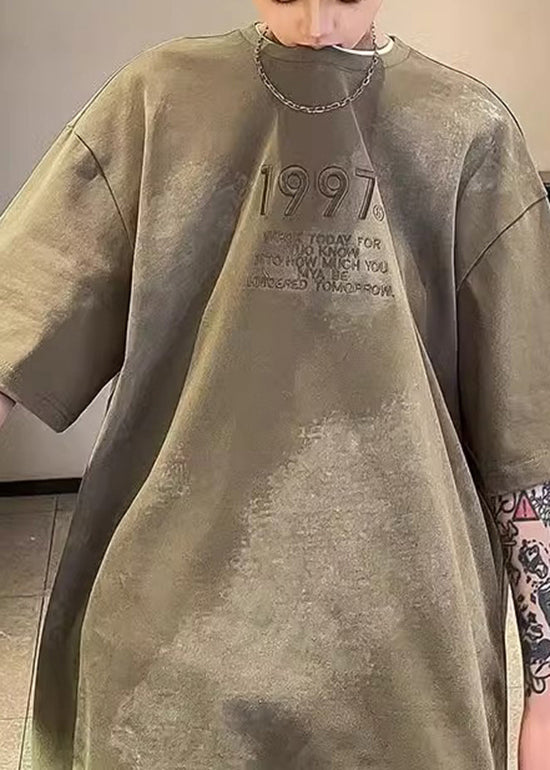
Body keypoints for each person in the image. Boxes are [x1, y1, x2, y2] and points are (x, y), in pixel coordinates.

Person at [1, 0, 550, 767]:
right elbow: (18, 322)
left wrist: (545, 690)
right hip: (167, 675)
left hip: (410, 680)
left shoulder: (469, 133)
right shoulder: (158, 101)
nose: (319, 24)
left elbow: (526, 451)